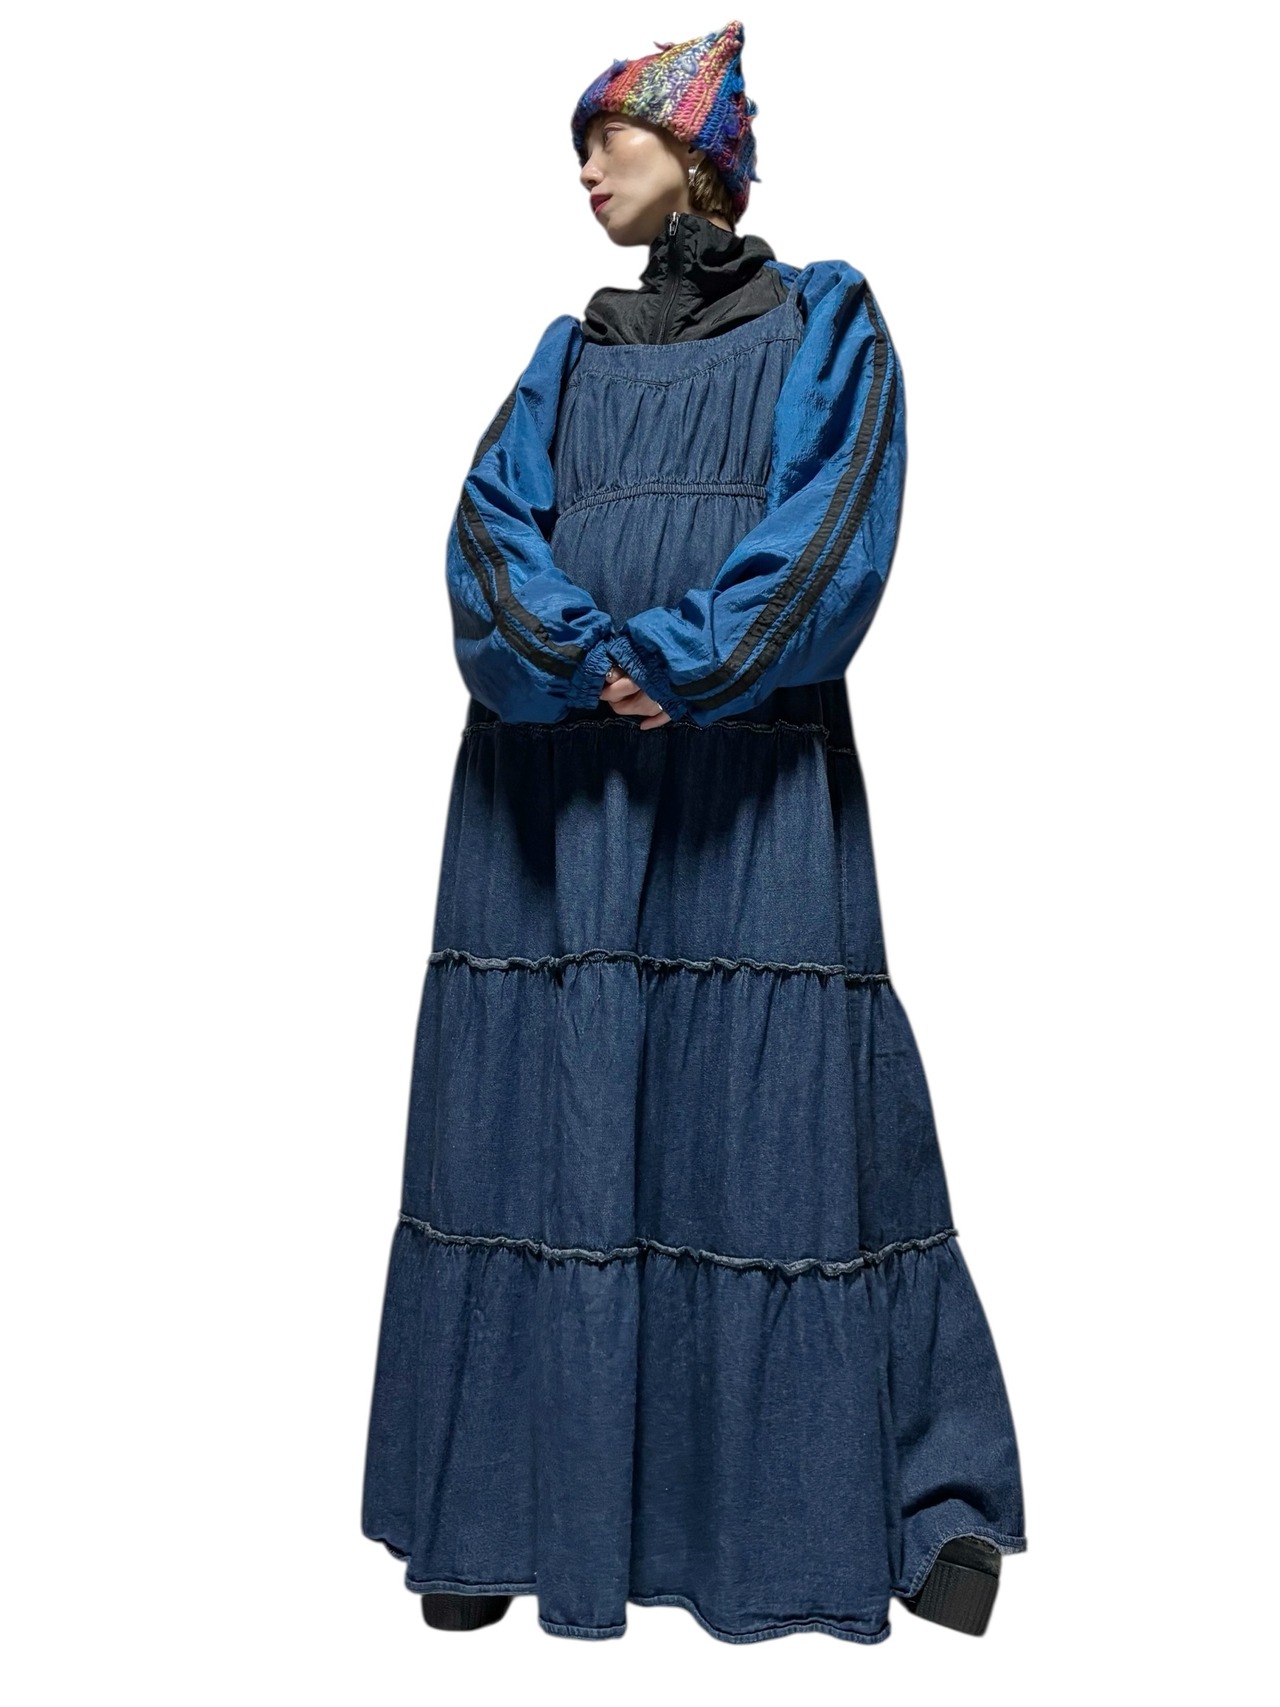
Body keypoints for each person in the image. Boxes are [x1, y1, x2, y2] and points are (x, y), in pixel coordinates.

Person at [362, 19, 1027, 1646]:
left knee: (773, 1118)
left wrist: (678, 664)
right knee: (542, 1120)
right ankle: (498, 1506)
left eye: (611, 137)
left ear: (697, 151)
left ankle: (894, 1501)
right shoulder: (564, 353)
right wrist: (577, 656)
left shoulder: (826, 322)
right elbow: (483, 537)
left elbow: (833, 524)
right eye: (583, 147)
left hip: (741, 789)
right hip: (553, 800)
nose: (587, 169)